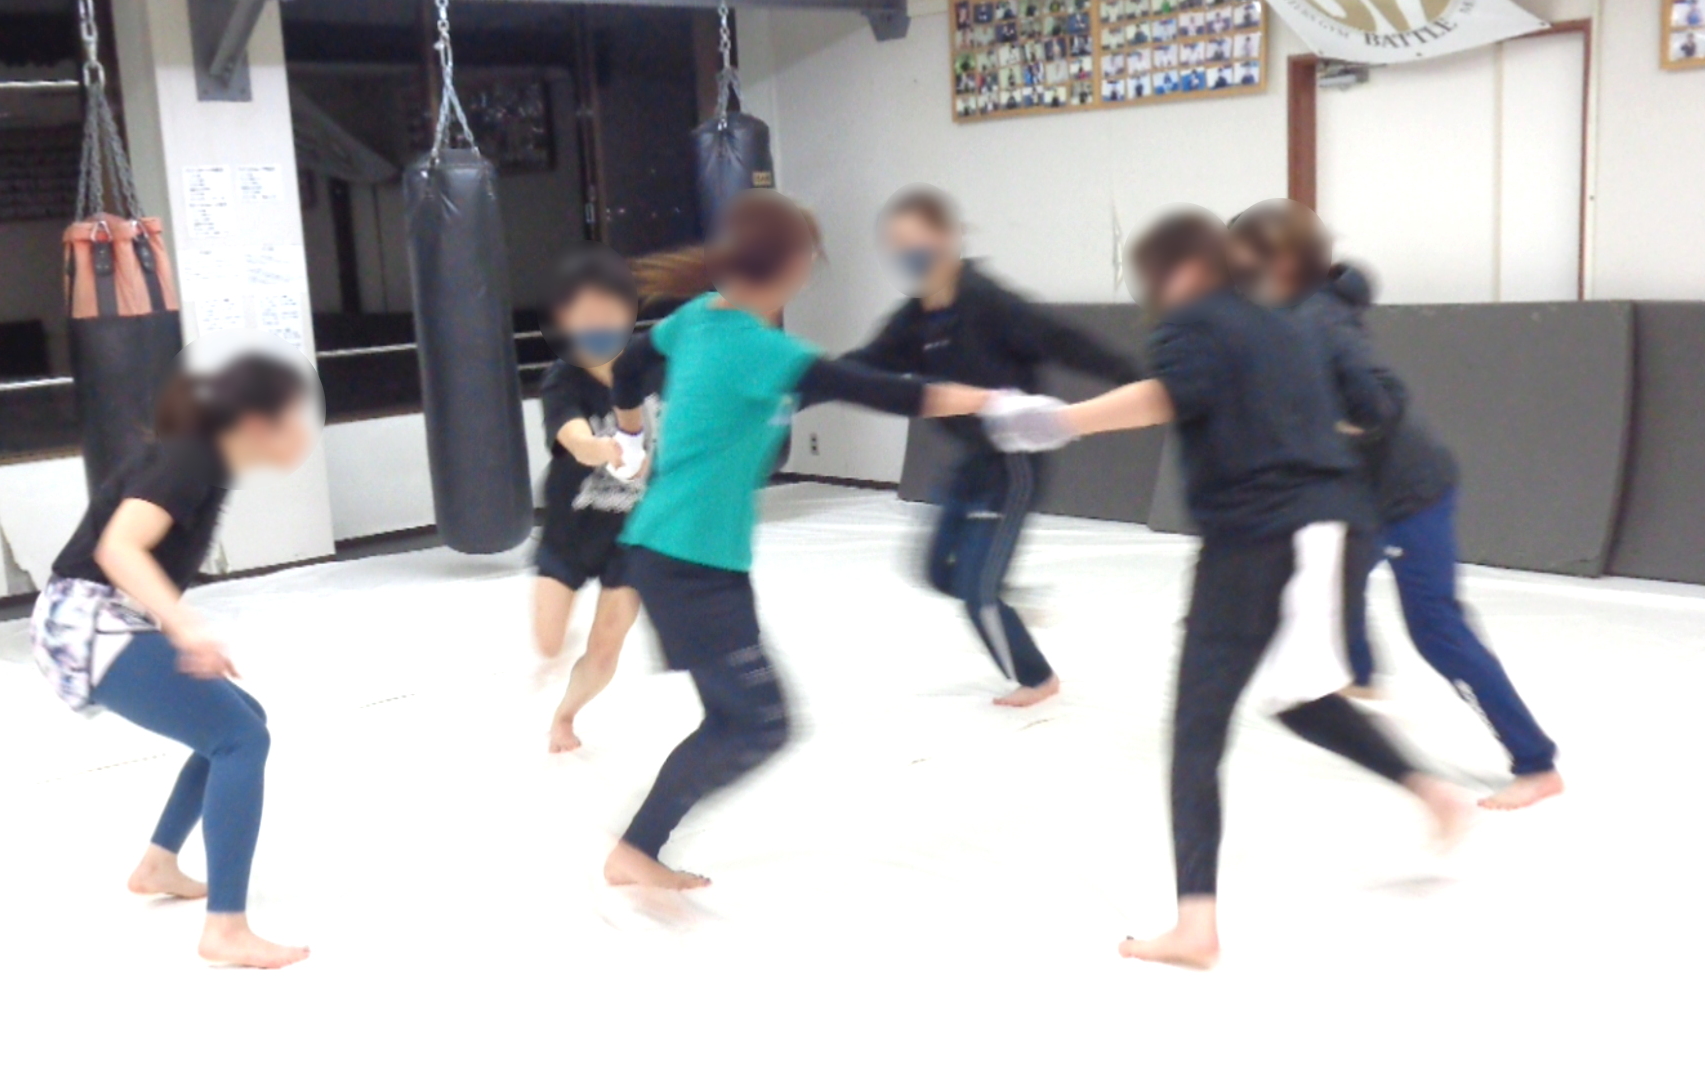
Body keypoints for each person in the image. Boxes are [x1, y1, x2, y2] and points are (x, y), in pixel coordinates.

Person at [984, 208, 1472, 970]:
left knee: (1197, 732)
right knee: (1300, 695)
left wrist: (1061, 421)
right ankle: (1430, 789)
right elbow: (1372, 405)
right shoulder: (1295, 320)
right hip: (1339, 529)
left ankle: (1196, 927)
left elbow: (1165, 395)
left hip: (1258, 537)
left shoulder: (1196, 320)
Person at [600, 191, 994, 892]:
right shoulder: (763, 349)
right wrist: (985, 399)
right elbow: (879, 390)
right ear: (795, 266)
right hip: (686, 561)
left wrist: (632, 431)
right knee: (757, 721)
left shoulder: (699, 319)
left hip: (686, 553)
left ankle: (638, 849)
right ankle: (635, 850)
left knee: (740, 716)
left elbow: (630, 368)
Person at [1229, 199, 1564, 811]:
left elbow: (1382, 401)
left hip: (1407, 497)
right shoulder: (1291, 312)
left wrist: (1323, 428)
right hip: (1357, 499)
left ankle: (1536, 762)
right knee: (1330, 582)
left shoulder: (1317, 319)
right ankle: (1359, 675)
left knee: (1437, 630)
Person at [30, 343, 316, 969]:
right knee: (239, 739)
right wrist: (186, 627)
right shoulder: (187, 459)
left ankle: (159, 864)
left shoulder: (202, 465)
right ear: (255, 420)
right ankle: (226, 929)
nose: (305, 431)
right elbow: (118, 548)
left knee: (243, 720)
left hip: (95, 618)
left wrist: (173, 630)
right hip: (87, 621)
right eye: (295, 416)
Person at [840, 185, 1139, 707]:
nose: (909, 255)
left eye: (918, 242)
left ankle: (1035, 677)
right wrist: (799, 383)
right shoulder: (914, 319)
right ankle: (998, 595)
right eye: (898, 246)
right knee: (937, 572)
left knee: (977, 592)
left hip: (1013, 465)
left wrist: (1135, 381)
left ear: (949, 238)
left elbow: (1064, 340)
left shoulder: (990, 304)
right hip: (971, 462)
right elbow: (863, 366)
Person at [532, 248, 661, 754]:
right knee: (548, 643)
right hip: (571, 532)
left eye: (608, 312)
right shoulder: (563, 378)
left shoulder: (654, 368)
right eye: (584, 316)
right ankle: (558, 652)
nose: (598, 325)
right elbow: (574, 438)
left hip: (635, 537)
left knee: (606, 649)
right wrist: (606, 450)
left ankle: (565, 716)